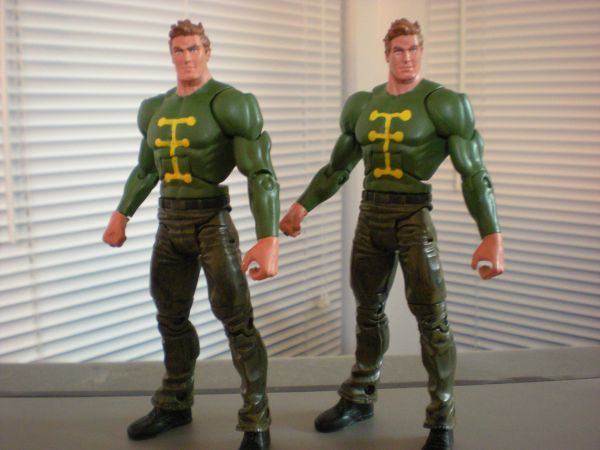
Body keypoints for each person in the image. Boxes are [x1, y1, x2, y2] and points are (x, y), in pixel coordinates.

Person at [280, 18, 504, 450]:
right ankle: (360, 396)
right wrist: (302, 205)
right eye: (399, 49)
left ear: (422, 51)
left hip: (412, 217)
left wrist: (491, 233)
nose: (407, 57)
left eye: (414, 48)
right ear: (387, 54)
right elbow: (338, 167)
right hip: (371, 216)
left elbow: (474, 172)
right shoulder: (362, 105)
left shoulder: (444, 103)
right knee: (368, 311)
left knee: (432, 320)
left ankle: (442, 416)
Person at [102, 19, 278, 450]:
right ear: (171, 55)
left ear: (207, 51)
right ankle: (175, 402)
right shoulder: (155, 109)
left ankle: (256, 416)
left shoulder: (229, 103)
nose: (186, 58)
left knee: (236, 319)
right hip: (170, 222)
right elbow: (146, 169)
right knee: (170, 316)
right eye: (179, 50)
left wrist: (268, 237)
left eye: (193, 49)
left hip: (211, 221)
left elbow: (260, 173)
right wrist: (122, 213)